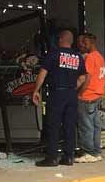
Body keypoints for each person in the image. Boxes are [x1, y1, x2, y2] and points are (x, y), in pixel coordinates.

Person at [32, 28, 87, 167]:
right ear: (71, 42)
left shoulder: (54, 54)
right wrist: (73, 87)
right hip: (71, 94)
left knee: (53, 125)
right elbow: (83, 77)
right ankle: (68, 157)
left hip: (57, 93)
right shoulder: (77, 56)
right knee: (69, 126)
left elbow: (42, 73)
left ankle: (52, 157)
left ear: (61, 39)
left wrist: (36, 90)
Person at [76, 32, 105, 159]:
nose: (82, 45)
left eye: (85, 43)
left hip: (87, 96)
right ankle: (96, 151)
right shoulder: (100, 57)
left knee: (86, 126)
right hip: (97, 95)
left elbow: (86, 78)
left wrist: (79, 93)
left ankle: (87, 152)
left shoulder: (90, 58)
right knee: (95, 126)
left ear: (91, 43)